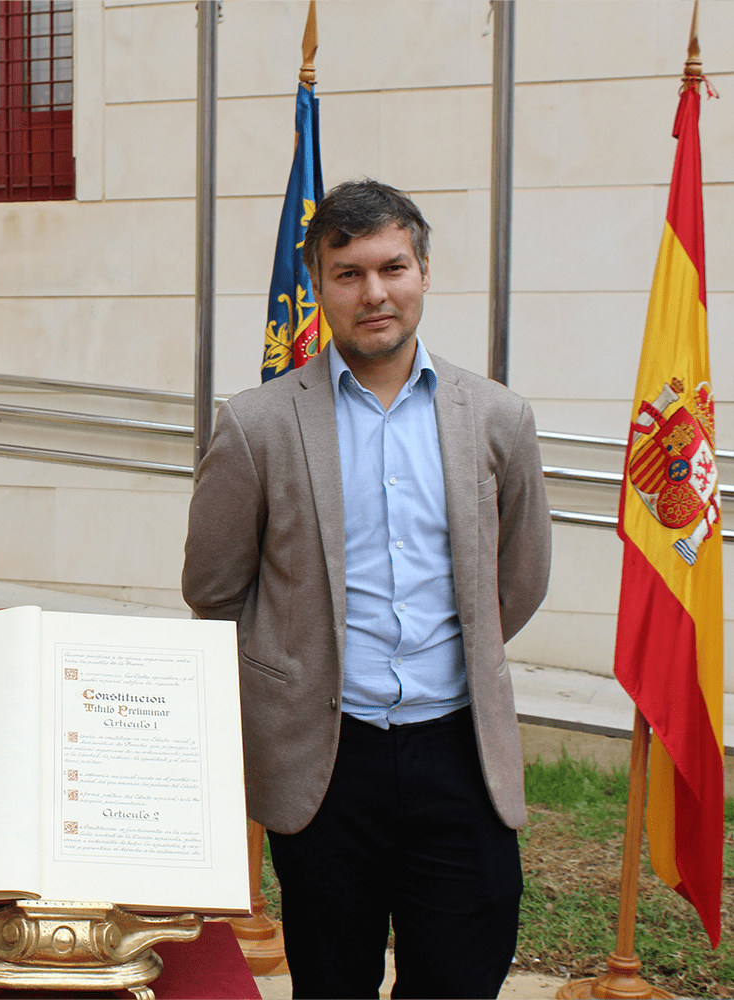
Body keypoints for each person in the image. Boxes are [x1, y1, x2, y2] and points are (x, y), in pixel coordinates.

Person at [182, 180, 551, 999]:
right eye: (347, 274)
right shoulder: (258, 424)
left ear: (423, 272)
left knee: (458, 979)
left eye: (392, 267)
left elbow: (519, 576)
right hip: (325, 762)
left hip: (459, 754)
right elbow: (213, 588)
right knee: (331, 982)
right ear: (318, 286)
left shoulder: (496, 418)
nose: (373, 293)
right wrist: (290, 667)